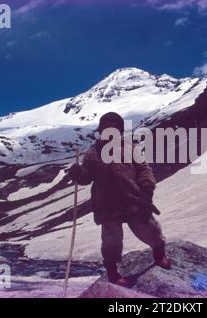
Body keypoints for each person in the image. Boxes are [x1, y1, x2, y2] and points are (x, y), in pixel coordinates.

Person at [68, 112, 171, 287]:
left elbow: (144, 170)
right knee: (111, 242)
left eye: (114, 129)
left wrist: (146, 194)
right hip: (106, 206)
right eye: (106, 128)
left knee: (151, 229)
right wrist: (78, 173)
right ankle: (113, 274)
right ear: (101, 131)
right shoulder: (92, 154)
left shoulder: (131, 148)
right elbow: (86, 178)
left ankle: (160, 255)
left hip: (134, 200)